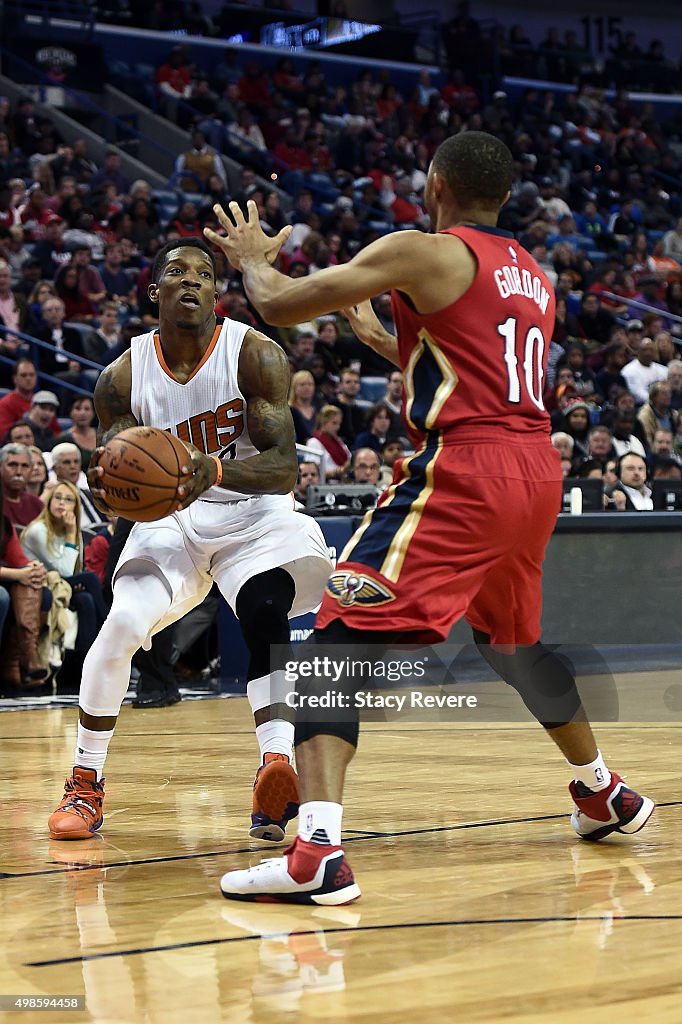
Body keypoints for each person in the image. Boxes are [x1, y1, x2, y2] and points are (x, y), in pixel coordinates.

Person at [205, 130, 654, 905]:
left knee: (329, 642)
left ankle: (317, 850)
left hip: (465, 471)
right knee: (513, 646)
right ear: (503, 195)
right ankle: (602, 789)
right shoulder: (533, 276)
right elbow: (467, 367)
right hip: (532, 469)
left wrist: (249, 258)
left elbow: (278, 302)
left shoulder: (426, 248)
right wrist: (381, 337)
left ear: (436, 181)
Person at [48, 237, 332, 844]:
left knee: (263, 610)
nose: (192, 280)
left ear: (217, 293)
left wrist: (217, 470)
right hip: (170, 519)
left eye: (205, 274)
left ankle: (275, 765)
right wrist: (112, 484)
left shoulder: (254, 356)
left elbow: (285, 467)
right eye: (177, 270)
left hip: (252, 511)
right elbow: (120, 476)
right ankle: (84, 781)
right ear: (154, 290)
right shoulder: (121, 377)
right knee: (122, 625)